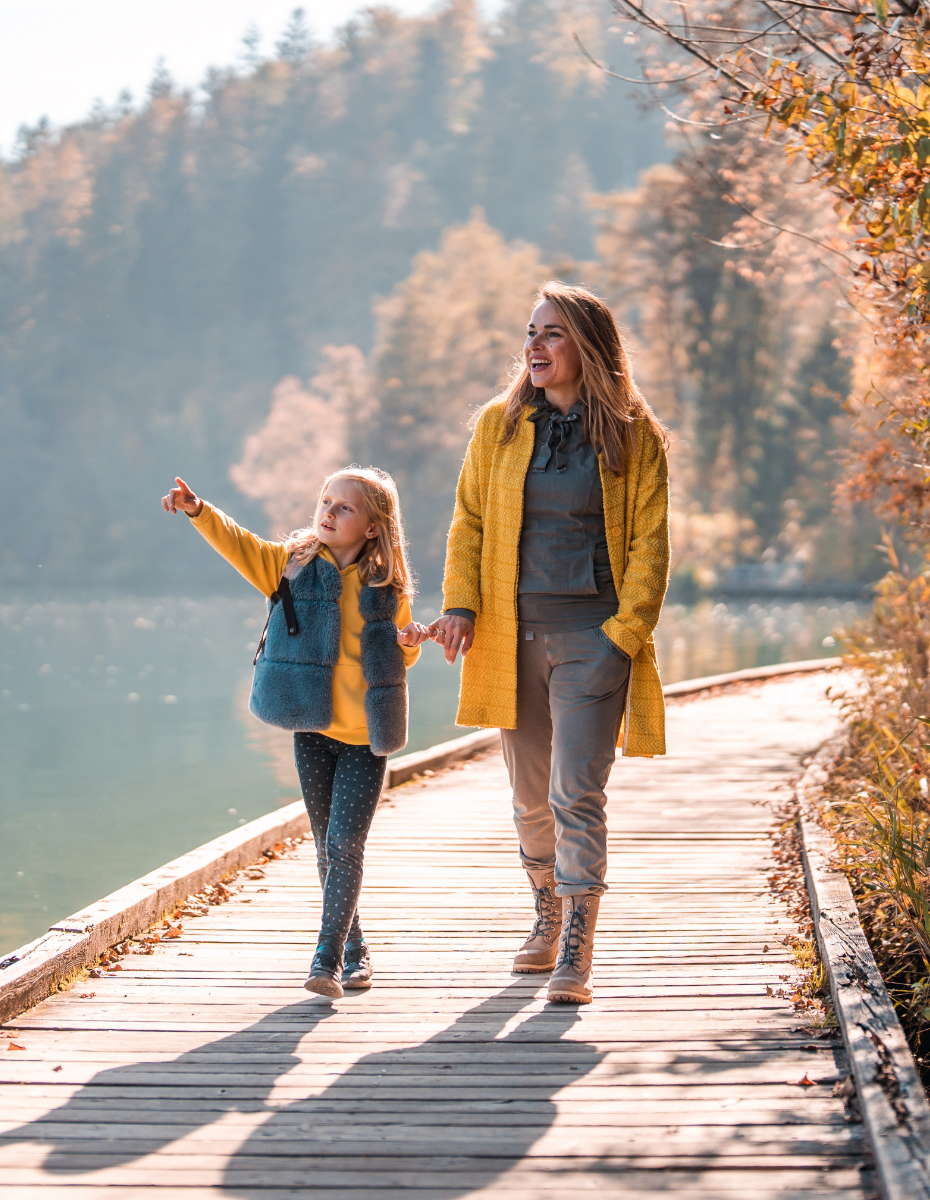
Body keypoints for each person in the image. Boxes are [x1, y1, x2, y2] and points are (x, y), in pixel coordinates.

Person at [429, 282, 670, 1005]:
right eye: (531, 332)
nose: (533, 346)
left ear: (588, 346)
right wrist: (460, 604)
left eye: (552, 333)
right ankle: (546, 914)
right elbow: (469, 521)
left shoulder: (634, 436)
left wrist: (623, 636)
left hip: (594, 641)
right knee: (530, 799)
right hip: (511, 639)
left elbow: (650, 546)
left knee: (576, 793)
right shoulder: (498, 427)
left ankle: (576, 948)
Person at [161, 467, 431, 998]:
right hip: (311, 727)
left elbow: (398, 658)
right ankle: (355, 948)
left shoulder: (386, 587)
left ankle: (325, 959)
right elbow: (239, 544)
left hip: (365, 736)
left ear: (372, 528)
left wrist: (409, 644)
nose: (328, 512)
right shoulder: (291, 566)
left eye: (344, 507)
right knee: (329, 848)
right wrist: (199, 511)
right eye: (326, 501)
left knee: (345, 844)